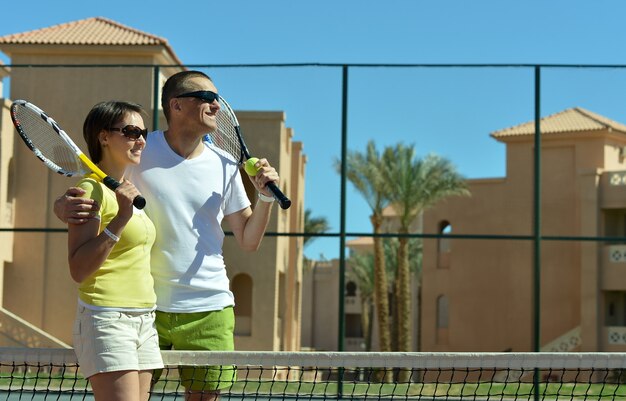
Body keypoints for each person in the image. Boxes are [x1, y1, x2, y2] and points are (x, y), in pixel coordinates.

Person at [55, 71, 279, 401]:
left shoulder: (226, 164)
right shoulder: (138, 150)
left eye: (217, 98)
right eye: (206, 97)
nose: (216, 105)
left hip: (210, 309)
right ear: (175, 105)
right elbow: (98, 185)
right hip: (146, 307)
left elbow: (248, 240)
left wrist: (266, 197)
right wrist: (62, 206)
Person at [68, 101, 163, 401]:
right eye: (131, 131)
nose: (141, 140)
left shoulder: (128, 189)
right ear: (104, 137)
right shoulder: (90, 190)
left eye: (143, 132)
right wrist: (121, 218)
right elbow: (79, 269)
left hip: (145, 319)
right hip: (106, 318)